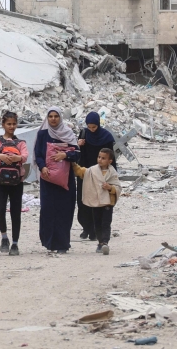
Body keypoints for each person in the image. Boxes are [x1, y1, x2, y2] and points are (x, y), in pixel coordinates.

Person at [34, 107, 81, 253]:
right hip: (47, 179)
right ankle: (49, 243)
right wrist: (42, 167)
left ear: (60, 117)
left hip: (65, 180)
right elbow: (38, 154)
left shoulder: (67, 133)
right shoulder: (42, 134)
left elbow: (77, 153)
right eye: (50, 116)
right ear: (47, 118)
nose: (53, 119)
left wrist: (64, 155)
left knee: (64, 211)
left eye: (56, 116)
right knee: (48, 210)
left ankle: (62, 244)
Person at [0, 111, 28, 256]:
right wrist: (1, 156)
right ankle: (4, 237)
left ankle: (15, 243)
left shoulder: (21, 142)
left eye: (14, 124)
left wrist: (14, 158)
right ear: (3, 124)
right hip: (0, 182)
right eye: (9, 124)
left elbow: (24, 156)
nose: (11, 127)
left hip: (17, 182)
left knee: (16, 212)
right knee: (0, 210)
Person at [72, 148, 121, 255]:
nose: (100, 160)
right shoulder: (92, 170)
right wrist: (71, 162)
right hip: (96, 202)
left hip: (108, 202)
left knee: (106, 223)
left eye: (103, 158)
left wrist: (110, 187)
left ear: (110, 161)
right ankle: (100, 242)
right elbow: (80, 171)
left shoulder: (112, 173)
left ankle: (105, 242)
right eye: (99, 157)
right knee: (97, 223)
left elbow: (117, 187)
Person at [75, 111, 115, 241]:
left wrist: (112, 175)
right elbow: (77, 153)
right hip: (85, 173)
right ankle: (86, 227)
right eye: (89, 127)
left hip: (101, 174)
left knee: (97, 202)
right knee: (83, 201)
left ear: (98, 124)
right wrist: (78, 144)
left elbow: (111, 158)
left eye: (94, 127)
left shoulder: (106, 137)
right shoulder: (84, 134)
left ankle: (95, 230)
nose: (91, 130)